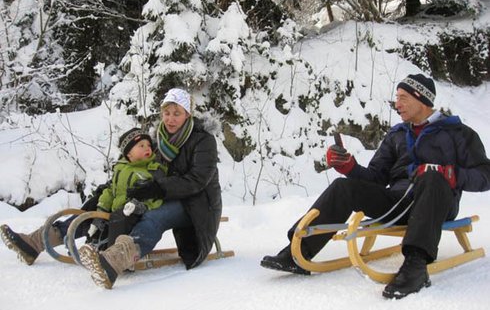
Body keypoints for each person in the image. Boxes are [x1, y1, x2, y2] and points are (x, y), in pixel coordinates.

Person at [260, 74, 490, 299]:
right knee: (343, 186)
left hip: (437, 201)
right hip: (396, 202)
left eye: (402, 97)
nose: (397, 104)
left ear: (421, 98)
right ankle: (298, 252)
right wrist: (349, 167)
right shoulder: (398, 134)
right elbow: (375, 177)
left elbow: (485, 175)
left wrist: (451, 175)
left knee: (431, 175)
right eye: (396, 97)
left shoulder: (458, 134)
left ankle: (416, 264)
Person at [79, 87, 222, 289]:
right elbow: (133, 166)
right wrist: (113, 186)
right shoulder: (157, 140)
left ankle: (117, 258)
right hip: (163, 195)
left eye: (177, 114)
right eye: (167, 113)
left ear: (188, 114)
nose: (170, 119)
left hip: (197, 204)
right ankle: (44, 239)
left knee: (154, 217)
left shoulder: (203, 140)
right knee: (102, 201)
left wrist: (157, 188)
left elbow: (197, 180)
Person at [0, 127, 166, 264]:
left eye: (148, 145)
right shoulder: (121, 168)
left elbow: (157, 196)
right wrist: (100, 206)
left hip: (131, 217)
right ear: (128, 153)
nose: (147, 149)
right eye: (141, 146)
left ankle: (110, 256)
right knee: (85, 217)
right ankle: (34, 242)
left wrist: (140, 206)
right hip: (111, 211)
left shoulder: (152, 170)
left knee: (104, 223)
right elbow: (111, 191)